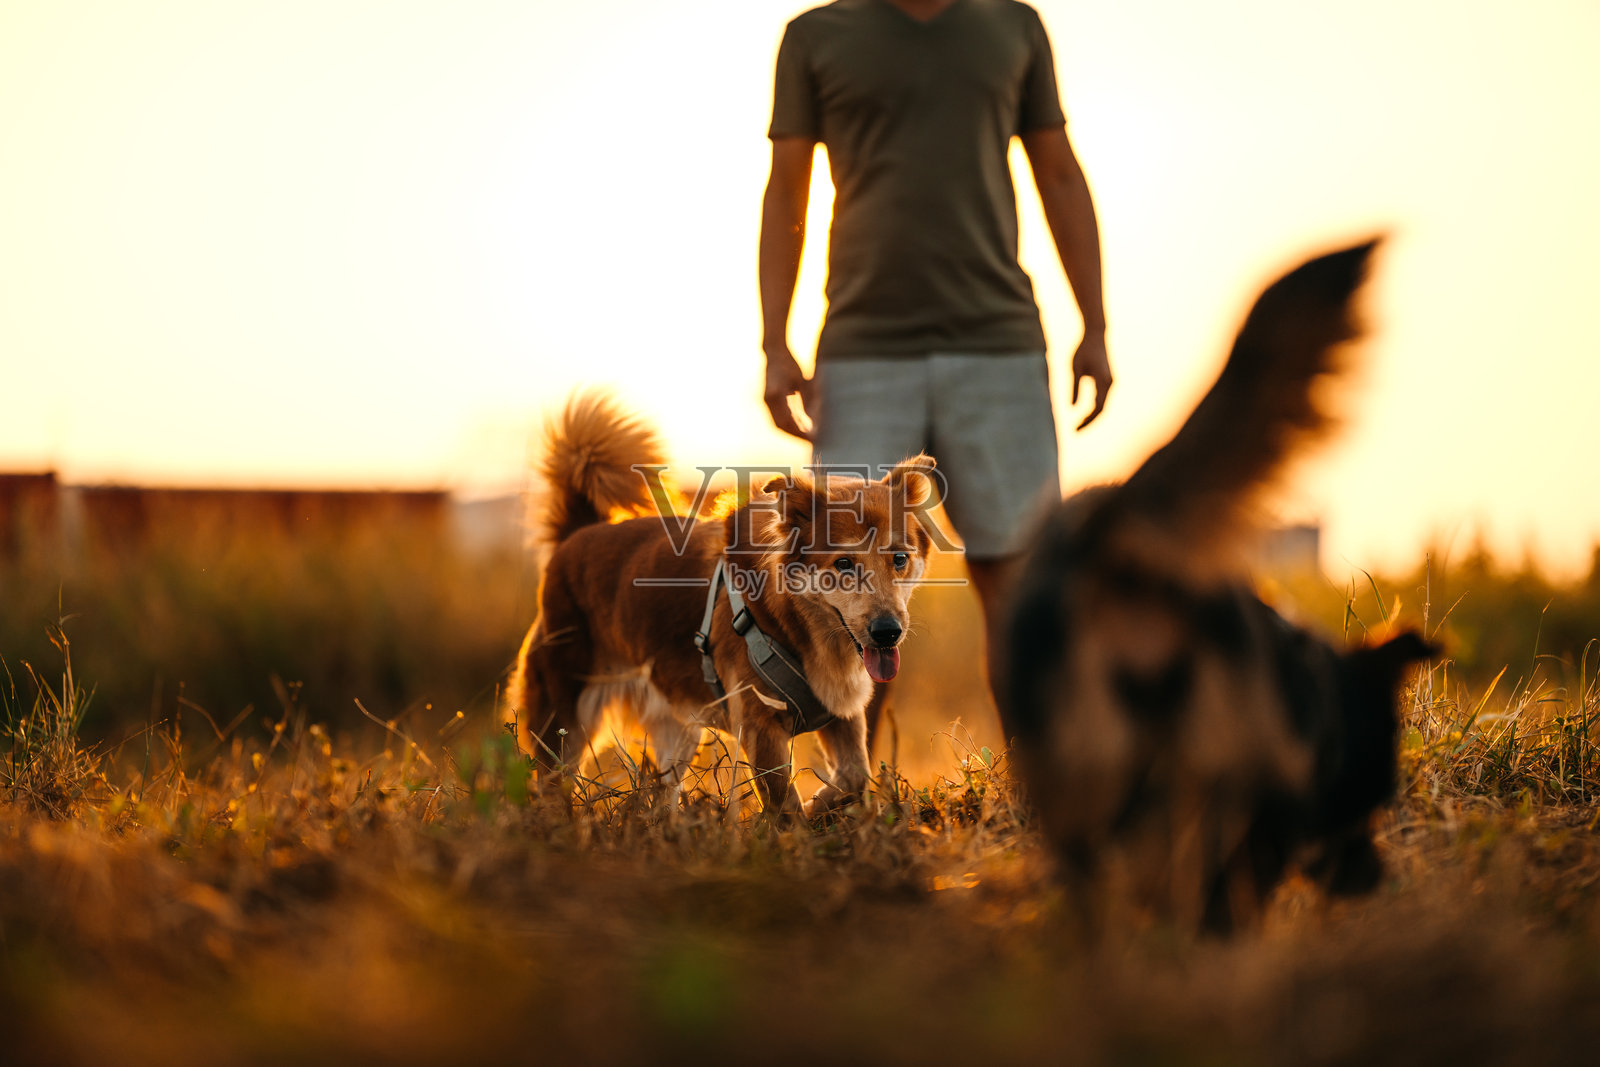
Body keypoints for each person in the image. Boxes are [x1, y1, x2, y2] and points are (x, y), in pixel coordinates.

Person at [758, 0, 1111, 743]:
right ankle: (852, 797)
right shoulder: (814, 39)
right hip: (861, 349)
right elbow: (786, 188)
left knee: (1019, 584)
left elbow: (1059, 171)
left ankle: (1039, 787)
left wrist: (1096, 324)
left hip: (1000, 347)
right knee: (843, 584)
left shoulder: (1014, 27)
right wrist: (775, 343)